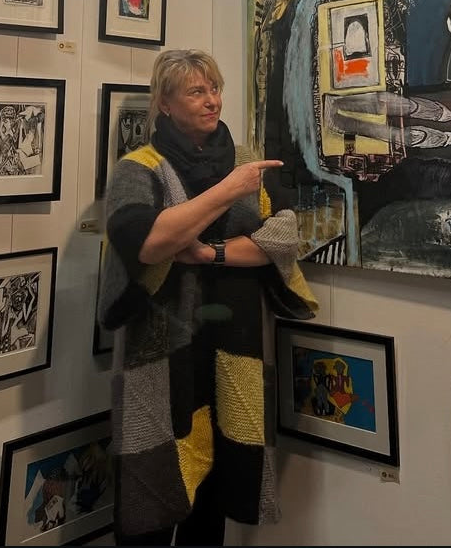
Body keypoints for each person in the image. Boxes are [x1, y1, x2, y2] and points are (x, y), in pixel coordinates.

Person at [98, 49, 317, 546]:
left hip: (233, 342)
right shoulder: (139, 168)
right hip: (160, 348)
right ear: (165, 103)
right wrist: (228, 192)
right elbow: (146, 241)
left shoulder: (244, 162)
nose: (212, 100)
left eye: (214, 88)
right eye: (196, 91)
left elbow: (284, 238)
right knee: (152, 495)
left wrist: (207, 253)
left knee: (213, 496)